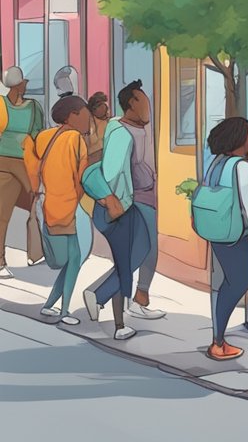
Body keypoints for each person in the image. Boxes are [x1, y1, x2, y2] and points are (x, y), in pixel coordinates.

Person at [86, 81, 164, 321]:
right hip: (134, 200)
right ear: (131, 104)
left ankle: (127, 297)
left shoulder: (137, 128)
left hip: (147, 196)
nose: (148, 108)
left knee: (143, 252)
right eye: (144, 103)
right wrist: (115, 202)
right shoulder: (121, 132)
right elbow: (112, 172)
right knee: (143, 251)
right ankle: (104, 296)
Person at [203, 117, 248, 361]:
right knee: (240, 281)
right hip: (235, 232)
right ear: (240, 138)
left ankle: (218, 337)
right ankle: (218, 342)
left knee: (226, 282)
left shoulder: (218, 163)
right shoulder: (243, 166)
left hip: (216, 229)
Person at [31, 95, 93, 324]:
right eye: (85, 115)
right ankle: (64, 312)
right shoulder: (76, 139)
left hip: (49, 206)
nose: (89, 121)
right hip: (69, 207)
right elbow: (82, 178)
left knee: (71, 260)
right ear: (72, 116)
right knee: (74, 259)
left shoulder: (44, 137)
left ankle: (50, 305)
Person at [1, 66, 46, 275]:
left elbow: (38, 135)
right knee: (4, 213)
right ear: (19, 84)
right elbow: (37, 135)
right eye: (24, 82)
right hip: (7, 163)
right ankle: (2, 260)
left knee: (38, 205)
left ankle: (36, 253)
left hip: (24, 163)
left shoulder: (34, 107)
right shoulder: (6, 105)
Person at [85, 92, 110, 163]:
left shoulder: (109, 122)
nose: (106, 108)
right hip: (94, 158)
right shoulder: (89, 123)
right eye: (102, 105)